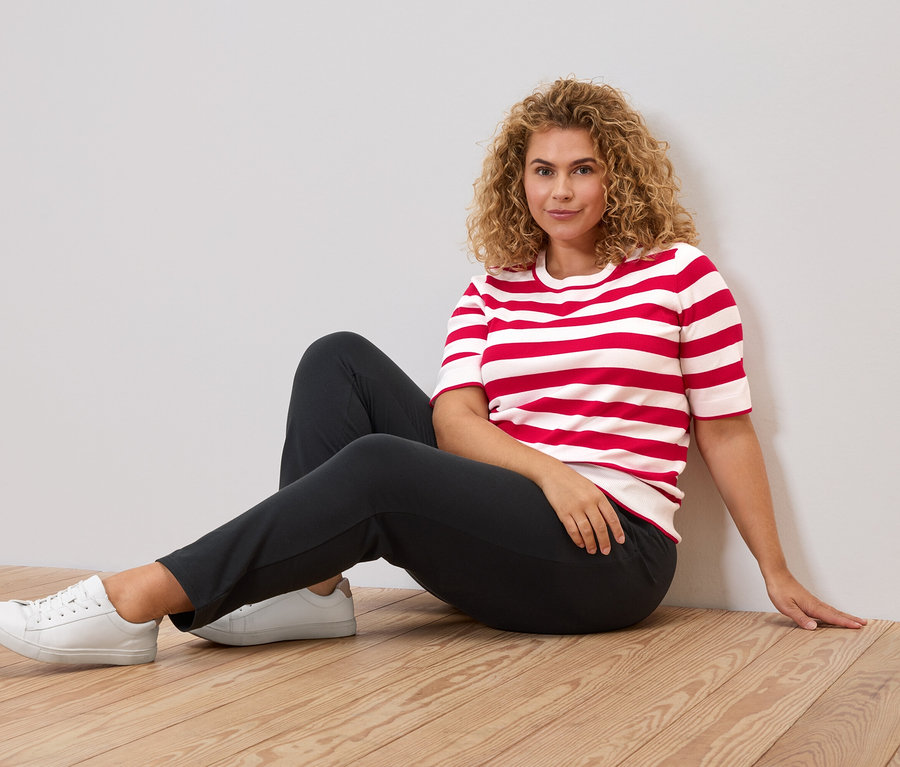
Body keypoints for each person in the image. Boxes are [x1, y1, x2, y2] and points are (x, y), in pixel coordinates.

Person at [0, 78, 865, 667]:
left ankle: (131, 601)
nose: (560, 190)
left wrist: (777, 572)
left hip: (612, 555)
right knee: (337, 357)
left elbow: (724, 426)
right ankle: (312, 590)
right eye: (542, 169)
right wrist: (549, 473)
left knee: (379, 468)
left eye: (582, 168)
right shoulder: (490, 290)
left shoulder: (682, 276)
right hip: (520, 505)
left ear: (618, 174)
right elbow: (456, 423)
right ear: (517, 179)